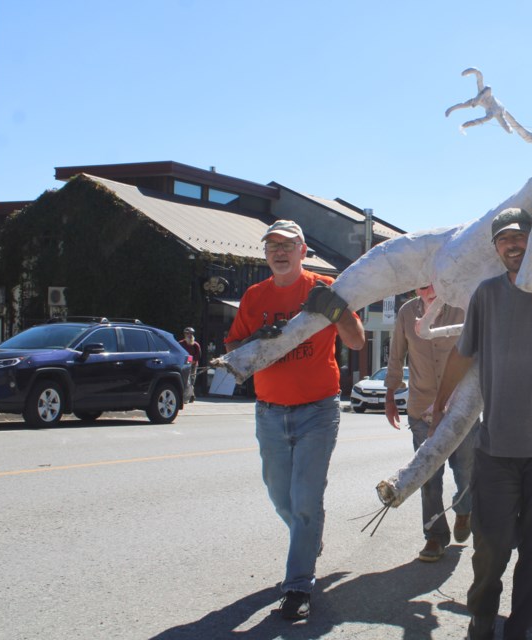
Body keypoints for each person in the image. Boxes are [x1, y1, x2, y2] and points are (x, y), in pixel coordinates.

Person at [432, 208, 532, 640]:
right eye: (504, 239)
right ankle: (482, 622)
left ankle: (518, 630)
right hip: (496, 449)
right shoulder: (486, 295)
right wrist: (439, 405)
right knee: (489, 550)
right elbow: (464, 353)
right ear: (496, 247)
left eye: (520, 237)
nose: (512, 245)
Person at [225, 220, 365, 622]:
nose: (279, 252)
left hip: (317, 411)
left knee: (306, 499)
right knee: (278, 494)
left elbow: (355, 340)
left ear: (303, 250)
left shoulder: (321, 287)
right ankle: (309, 537)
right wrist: (257, 342)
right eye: (272, 246)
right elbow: (234, 345)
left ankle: (298, 585)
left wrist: (337, 311)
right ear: (266, 254)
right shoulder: (255, 296)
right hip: (269, 411)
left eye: (287, 245)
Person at [384, 284, 475, 563]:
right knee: (428, 476)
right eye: (423, 286)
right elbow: (396, 355)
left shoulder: (462, 308)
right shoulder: (406, 313)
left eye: (434, 283)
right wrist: (389, 395)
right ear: (416, 289)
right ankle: (435, 537)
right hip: (421, 408)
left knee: (466, 471)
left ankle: (464, 508)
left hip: (461, 407)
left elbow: (478, 353)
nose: (430, 290)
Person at [178, 327, 201, 402]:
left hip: (193, 365)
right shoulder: (181, 343)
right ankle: (185, 396)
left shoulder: (196, 345)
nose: (190, 335)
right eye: (188, 333)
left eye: (191, 333)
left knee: (192, 380)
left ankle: (191, 396)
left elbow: (198, 355)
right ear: (185, 334)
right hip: (184, 365)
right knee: (185, 380)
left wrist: (194, 361)